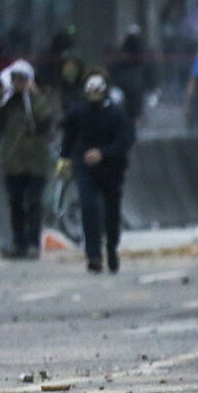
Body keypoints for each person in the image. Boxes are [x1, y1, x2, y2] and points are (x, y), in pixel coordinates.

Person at [60, 73, 135, 272]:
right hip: (85, 166)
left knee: (111, 211)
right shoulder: (78, 112)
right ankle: (93, 254)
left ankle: (111, 247)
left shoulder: (116, 114)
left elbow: (125, 141)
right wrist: (64, 159)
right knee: (88, 205)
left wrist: (103, 153)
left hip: (111, 168)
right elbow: (68, 136)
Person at [0, 61, 56, 260]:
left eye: (23, 79)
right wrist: (3, 94)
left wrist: (32, 95)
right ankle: (19, 242)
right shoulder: (8, 101)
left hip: (36, 162)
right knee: (16, 203)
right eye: (16, 79)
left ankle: (33, 242)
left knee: (34, 202)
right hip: (13, 161)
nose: (19, 83)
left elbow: (45, 117)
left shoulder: (38, 99)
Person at [107, 26, 158, 127]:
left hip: (138, 91)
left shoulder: (144, 56)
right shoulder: (121, 55)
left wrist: (153, 89)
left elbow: (150, 73)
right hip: (124, 90)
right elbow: (113, 70)